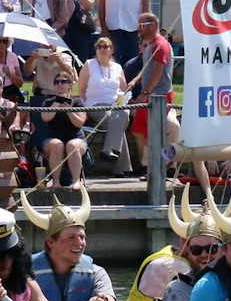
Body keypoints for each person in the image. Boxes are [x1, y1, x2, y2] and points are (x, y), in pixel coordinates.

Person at [22, 190, 118, 301]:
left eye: (82, 237)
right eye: (71, 238)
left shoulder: (97, 273)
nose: (79, 243)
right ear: (51, 242)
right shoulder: (25, 274)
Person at [127, 12, 178, 175]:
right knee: (138, 130)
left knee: (153, 131)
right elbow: (148, 68)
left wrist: (145, 92)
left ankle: (161, 164)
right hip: (152, 95)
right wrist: (136, 80)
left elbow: (158, 70)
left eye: (141, 25)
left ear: (153, 25)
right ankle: (163, 159)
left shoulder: (161, 45)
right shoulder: (149, 45)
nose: (138, 29)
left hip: (159, 96)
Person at [78, 36, 130, 173]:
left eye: (105, 46)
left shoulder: (118, 68)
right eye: (99, 47)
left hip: (115, 105)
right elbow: (81, 89)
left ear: (111, 50)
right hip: (94, 105)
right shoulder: (89, 65)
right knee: (116, 121)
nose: (102, 49)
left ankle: (110, 153)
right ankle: (117, 163)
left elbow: (124, 90)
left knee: (123, 114)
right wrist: (83, 108)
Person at [29, 73, 89, 189]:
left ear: (69, 85)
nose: (60, 84)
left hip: (76, 138)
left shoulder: (77, 102)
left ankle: (76, 181)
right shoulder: (48, 102)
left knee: (72, 145)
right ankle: (56, 182)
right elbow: (45, 118)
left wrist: (68, 110)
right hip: (52, 139)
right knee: (57, 145)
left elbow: (80, 122)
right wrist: (57, 103)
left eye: (63, 82)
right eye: (57, 82)